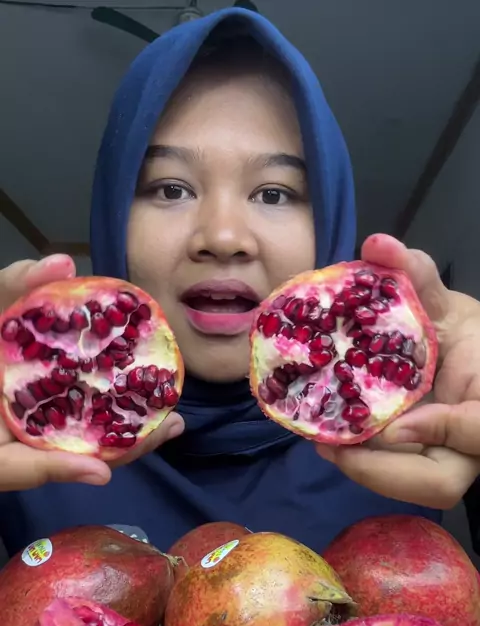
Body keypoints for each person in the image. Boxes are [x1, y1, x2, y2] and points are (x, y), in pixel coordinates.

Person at [0, 7, 479, 559]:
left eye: (274, 193)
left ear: (329, 223)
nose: (223, 236)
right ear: (112, 218)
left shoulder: (421, 416)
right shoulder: (28, 435)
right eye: (171, 189)